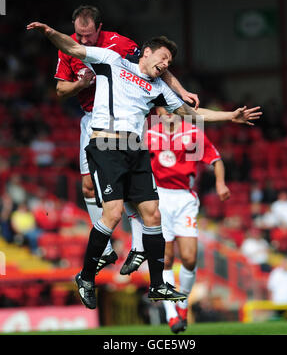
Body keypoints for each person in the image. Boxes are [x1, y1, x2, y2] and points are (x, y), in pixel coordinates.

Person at [26, 20, 262, 310]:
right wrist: (50, 34)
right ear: (146, 52)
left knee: (152, 213)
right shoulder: (114, 61)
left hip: (135, 149)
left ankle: (158, 284)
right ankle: (86, 277)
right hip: (106, 145)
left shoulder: (159, 87)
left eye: (169, 62)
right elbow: (74, 47)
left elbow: (190, 112)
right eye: (162, 57)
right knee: (112, 214)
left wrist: (231, 117)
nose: (165, 64)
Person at [53, 5, 200, 272]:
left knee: (131, 189)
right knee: (87, 187)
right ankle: (107, 251)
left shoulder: (120, 45)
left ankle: (139, 245)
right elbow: (60, 89)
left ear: (100, 28)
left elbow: (158, 68)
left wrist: (181, 91)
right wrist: (80, 85)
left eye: (88, 35)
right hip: (93, 120)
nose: (83, 40)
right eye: (78, 35)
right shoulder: (69, 47)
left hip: (126, 121)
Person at [144, 107, 230, 333]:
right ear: (157, 112)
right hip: (159, 198)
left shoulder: (192, 133)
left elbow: (216, 159)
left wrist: (220, 183)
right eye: (162, 108)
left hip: (185, 200)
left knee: (190, 259)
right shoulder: (149, 135)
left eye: (171, 108)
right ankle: (172, 315)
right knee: (165, 259)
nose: (167, 112)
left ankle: (182, 305)